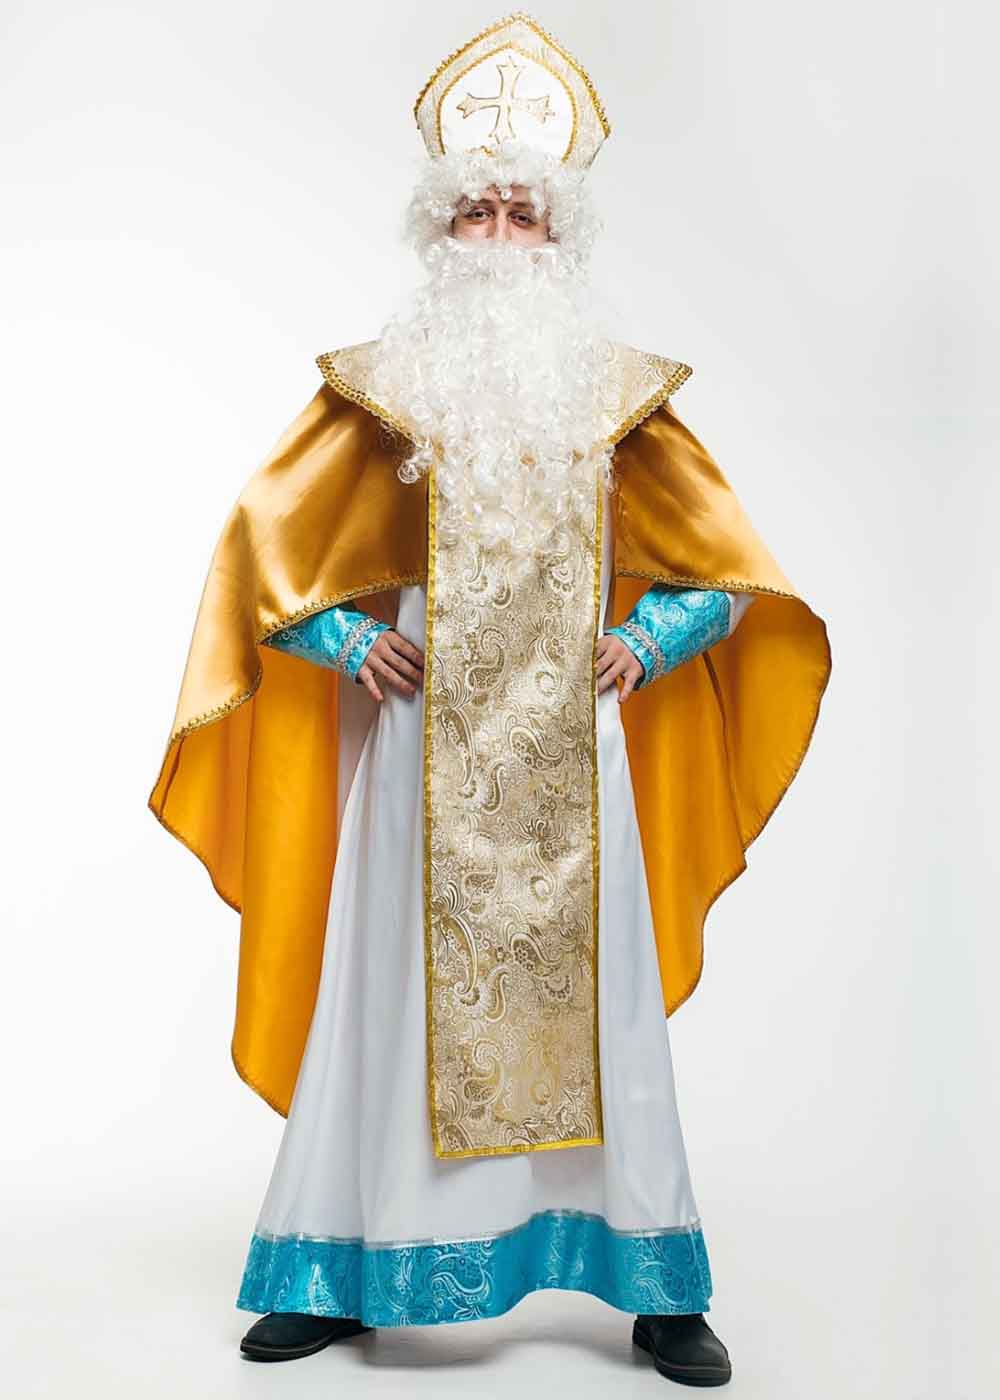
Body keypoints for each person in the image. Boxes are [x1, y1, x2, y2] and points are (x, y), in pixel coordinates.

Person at [148, 13, 831, 1388]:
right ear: (439, 227)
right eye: (478, 211)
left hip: (574, 753)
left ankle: (653, 1285)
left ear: (559, 237)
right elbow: (263, 557)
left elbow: (727, 573)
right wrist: (347, 638)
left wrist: (649, 638)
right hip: (422, 748)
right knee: (391, 989)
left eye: (525, 214)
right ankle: (342, 1265)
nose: (500, 235)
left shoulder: (618, 399)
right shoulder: (380, 391)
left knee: (603, 1007)